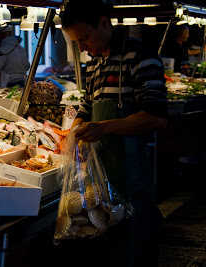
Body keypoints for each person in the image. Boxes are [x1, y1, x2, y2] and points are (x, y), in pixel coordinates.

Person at [61, 0, 168, 266]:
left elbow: (156, 116)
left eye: (84, 38)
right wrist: (73, 135)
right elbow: (86, 108)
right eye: (76, 42)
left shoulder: (141, 57)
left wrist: (104, 127)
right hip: (99, 182)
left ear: (104, 23)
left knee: (134, 247)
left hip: (132, 176)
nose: (82, 47)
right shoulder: (95, 65)